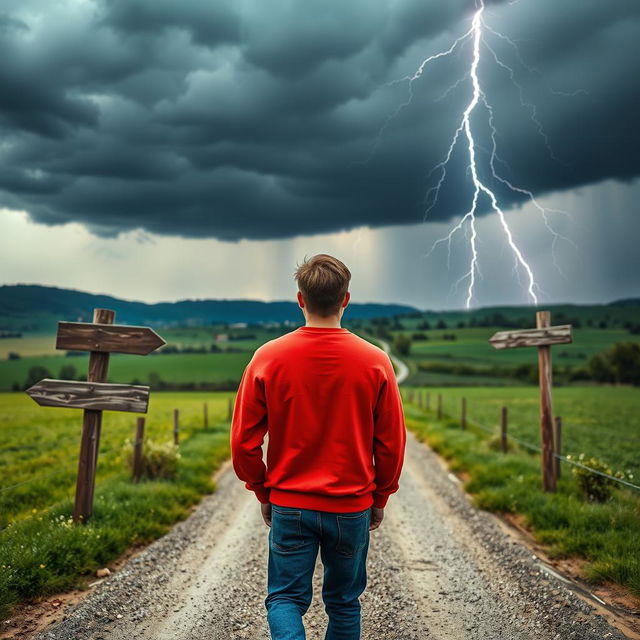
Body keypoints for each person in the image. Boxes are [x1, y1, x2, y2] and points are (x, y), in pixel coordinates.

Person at [230, 253, 407, 640]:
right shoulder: (376, 362)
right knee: (344, 603)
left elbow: (243, 442)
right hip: (351, 506)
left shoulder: (267, 358)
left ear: (300, 299)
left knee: (285, 600)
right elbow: (391, 443)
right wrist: (380, 497)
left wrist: (263, 490)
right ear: (346, 299)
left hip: (290, 505)